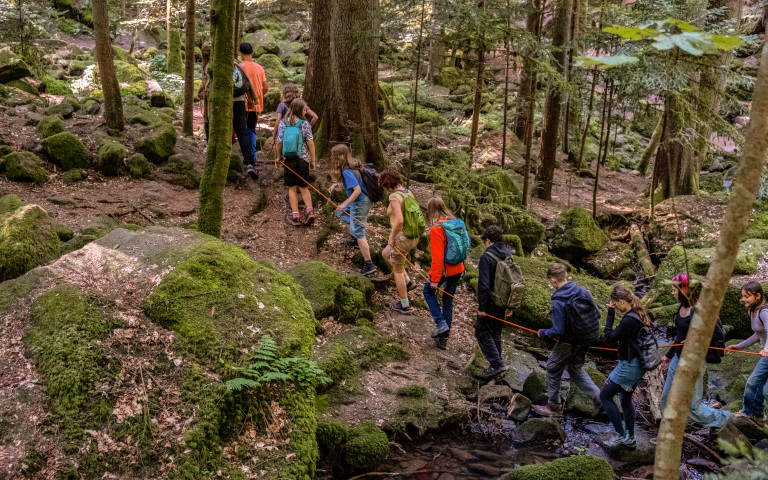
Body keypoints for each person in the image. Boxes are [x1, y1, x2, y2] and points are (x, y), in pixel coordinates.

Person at [654, 273, 731, 441]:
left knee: (692, 408)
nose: (672, 292)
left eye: (674, 289)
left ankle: (723, 418)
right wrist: (668, 356)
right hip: (677, 359)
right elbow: (680, 335)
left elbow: (718, 333)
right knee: (666, 400)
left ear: (684, 290)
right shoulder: (681, 308)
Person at [533, 263, 601, 417]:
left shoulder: (558, 300)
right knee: (575, 369)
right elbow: (597, 314)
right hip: (586, 339)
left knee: (552, 369)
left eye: (550, 281)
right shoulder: (582, 291)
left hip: (568, 342)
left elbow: (558, 331)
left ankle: (554, 407)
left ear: (553, 280)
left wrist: (543, 332)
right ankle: (599, 397)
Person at [600, 285, 652, 449]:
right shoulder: (639, 313)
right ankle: (630, 438)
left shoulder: (629, 320)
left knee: (605, 396)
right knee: (625, 398)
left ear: (622, 301)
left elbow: (609, 337)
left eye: (615, 303)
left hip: (629, 366)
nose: (614, 306)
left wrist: (610, 313)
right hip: (638, 365)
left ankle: (621, 436)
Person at [328, 144, 376, 276]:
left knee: (360, 231)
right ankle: (355, 236)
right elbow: (353, 183)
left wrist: (344, 203)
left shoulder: (346, 171)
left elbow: (357, 190)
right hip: (360, 201)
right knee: (340, 212)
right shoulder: (349, 168)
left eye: (334, 156)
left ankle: (369, 264)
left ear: (339, 157)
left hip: (360, 202)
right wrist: (336, 184)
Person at [424, 196, 465, 350]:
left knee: (427, 292)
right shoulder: (455, 223)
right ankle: (444, 339)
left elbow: (437, 257)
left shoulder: (437, 229)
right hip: (458, 268)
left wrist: (434, 279)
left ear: (430, 211)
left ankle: (441, 324)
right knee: (448, 302)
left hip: (445, 270)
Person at [725, 281, 768, 423]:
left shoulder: (764, 312)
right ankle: (758, 416)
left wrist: (766, 349)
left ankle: (747, 412)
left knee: (752, 383)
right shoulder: (752, 311)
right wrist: (739, 346)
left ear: (757, 296)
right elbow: (758, 334)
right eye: (742, 296)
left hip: (767, 354)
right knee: (760, 386)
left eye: (747, 296)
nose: (743, 299)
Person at [378, 168, 419, 314]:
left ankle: (404, 305)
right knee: (385, 253)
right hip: (412, 236)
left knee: (397, 270)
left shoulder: (394, 197)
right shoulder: (407, 192)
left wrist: (391, 237)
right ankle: (407, 281)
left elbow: (400, 221)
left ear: (387, 183)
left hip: (402, 237)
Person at [475, 225, 510, 379]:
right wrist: (510, 304)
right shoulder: (508, 254)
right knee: (495, 332)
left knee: (482, 332)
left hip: (490, 301)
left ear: (488, 240)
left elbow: (483, 285)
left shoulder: (486, 257)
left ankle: (497, 364)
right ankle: (497, 364)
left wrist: (481, 308)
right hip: (502, 302)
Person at [275, 98, 316, 226]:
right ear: (299, 109)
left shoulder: (283, 123)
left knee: (291, 189)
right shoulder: (305, 124)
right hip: (303, 159)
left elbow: (279, 142)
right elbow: (311, 143)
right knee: (304, 187)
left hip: (289, 159)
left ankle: (296, 216)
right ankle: (310, 212)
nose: (305, 112)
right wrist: (312, 160)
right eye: (304, 110)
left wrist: (278, 156)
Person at [238, 42, 268, 164]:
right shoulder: (260, 68)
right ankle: (253, 155)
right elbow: (265, 87)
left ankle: (247, 156)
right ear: (252, 53)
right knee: (251, 129)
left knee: (242, 130)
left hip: (241, 103)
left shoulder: (239, 67)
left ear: (241, 54)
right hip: (255, 104)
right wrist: (258, 97)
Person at [271, 83, 318, 149]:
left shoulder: (281, 105)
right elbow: (315, 117)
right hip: (299, 136)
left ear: (285, 93)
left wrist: (274, 139)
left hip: (286, 137)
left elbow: (277, 123)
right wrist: (309, 126)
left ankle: (281, 158)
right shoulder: (301, 105)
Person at [197, 42, 212, 144]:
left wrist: (199, 92)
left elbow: (204, 83)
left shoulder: (206, 66)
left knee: (207, 120)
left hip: (209, 98)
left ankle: (209, 143)